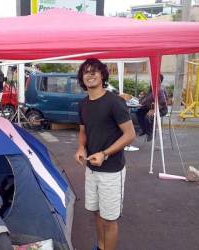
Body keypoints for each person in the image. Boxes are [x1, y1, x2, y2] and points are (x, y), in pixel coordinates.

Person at [74, 58, 135, 250]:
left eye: (95, 71)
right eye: (86, 72)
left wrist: (105, 153)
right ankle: (100, 246)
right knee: (97, 213)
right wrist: (80, 148)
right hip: (91, 169)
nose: (90, 75)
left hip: (111, 171)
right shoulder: (83, 104)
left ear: (102, 75)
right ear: (82, 78)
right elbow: (83, 131)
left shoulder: (114, 102)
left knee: (109, 220)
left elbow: (130, 135)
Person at [136, 74, 168, 142]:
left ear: (159, 81)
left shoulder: (160, 89)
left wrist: (154, 110)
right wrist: (141, 99)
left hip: (161, 110)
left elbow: (163, 102)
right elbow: (147, 99)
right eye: (151, 80)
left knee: (148, 116)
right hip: (150, 108)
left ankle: (150, 133)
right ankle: (144, 130)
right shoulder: (152, 89)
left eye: (153, 80)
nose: (151, 81)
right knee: (139, 111)